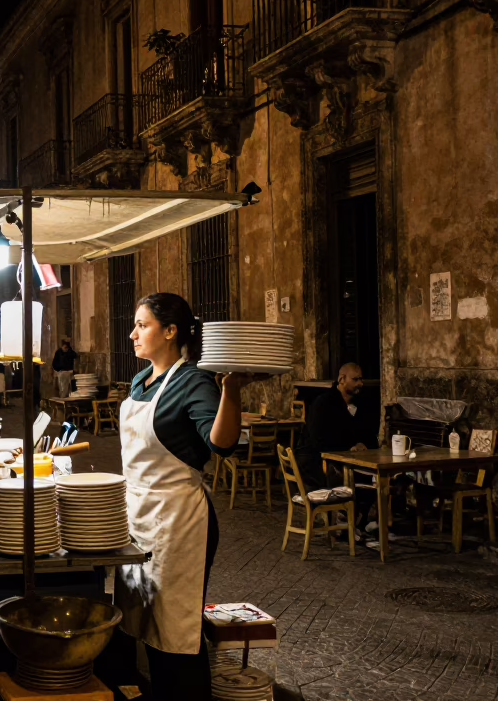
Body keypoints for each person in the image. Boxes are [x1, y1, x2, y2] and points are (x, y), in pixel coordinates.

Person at [108, 292, 262, 699]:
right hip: (137, 514)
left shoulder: (192, 380)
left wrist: (230, 390)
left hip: (177, 520)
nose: (133, 333)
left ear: (171, 331)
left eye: (142, 325)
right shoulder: (142, 380)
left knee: (174, 632)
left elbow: (222, 442)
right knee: (139, 617)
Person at [295, 362, 376, 519]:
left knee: (374, 479)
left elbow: (370, 433)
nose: (360, 383)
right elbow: (318, 438)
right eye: (355, 379)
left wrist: (363, 444)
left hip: (351, 461)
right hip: (318, 462)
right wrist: (348, 447)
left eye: (361, 379)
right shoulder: (323, 403)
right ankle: (348, 519)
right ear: (342, 379)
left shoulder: (362, 403)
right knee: (349, 479)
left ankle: (361, 521)